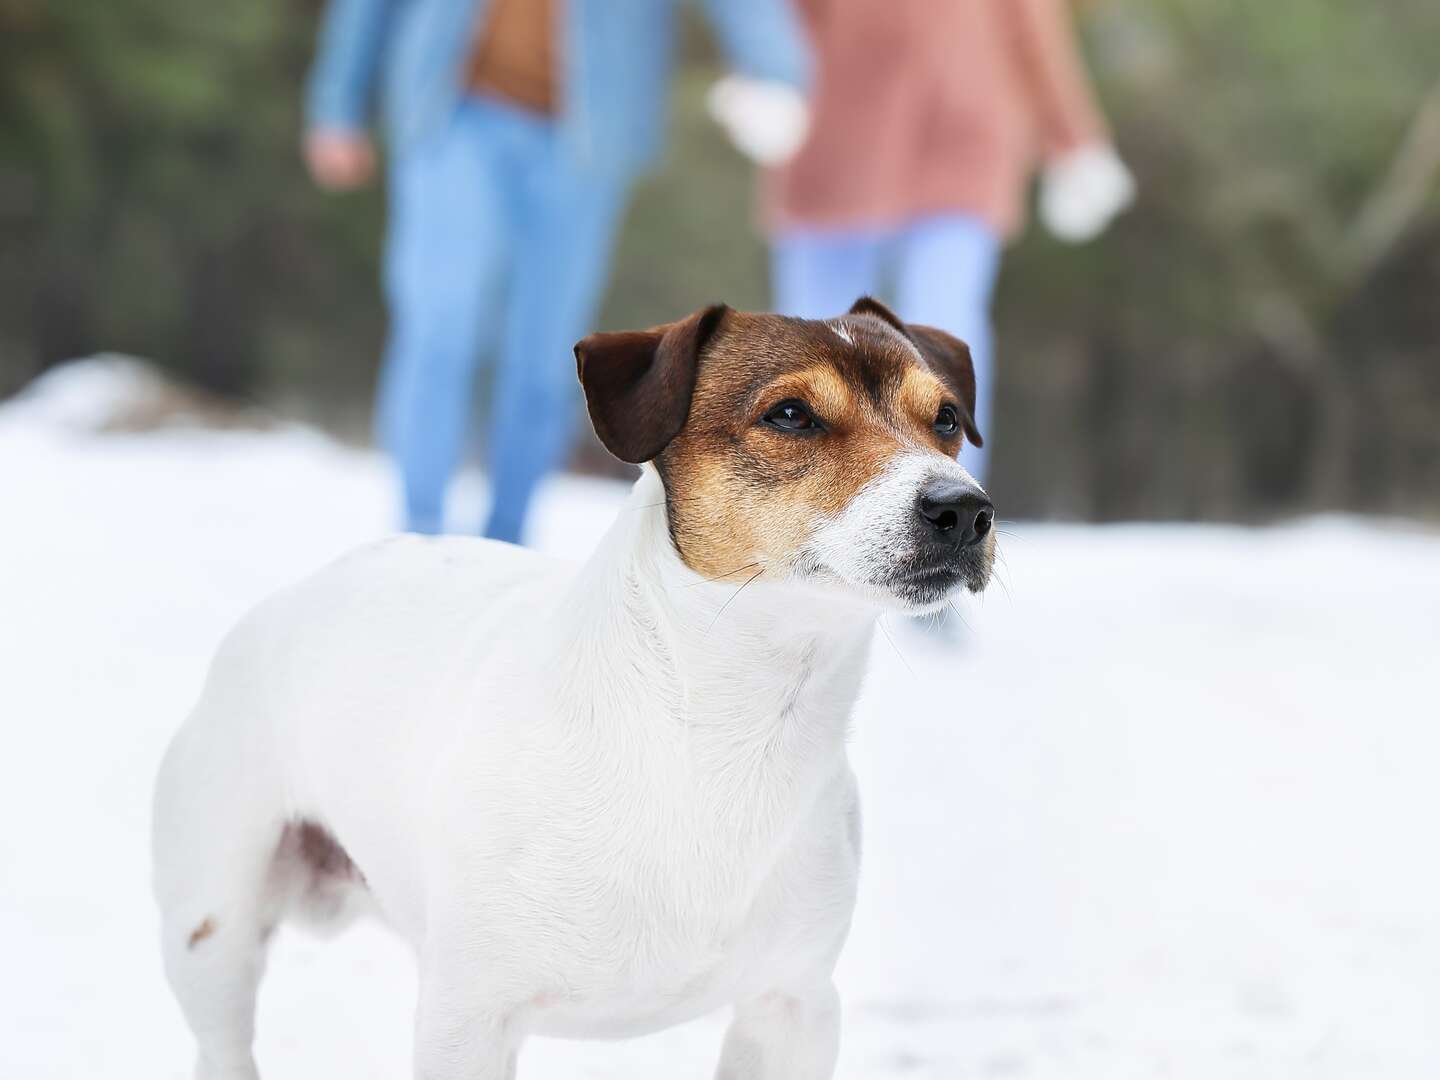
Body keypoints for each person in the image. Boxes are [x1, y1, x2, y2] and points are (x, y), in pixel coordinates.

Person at [305, 0, 811, 540]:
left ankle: (507, 537)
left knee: (543, 353)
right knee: (439, 323)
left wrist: (781, 75)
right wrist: (337, 103)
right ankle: (418, 530)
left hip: (584, 140)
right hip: (454, 113)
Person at [763, 0, 1134, 485]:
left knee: (942, 333)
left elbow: (1032, 31)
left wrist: (1073, 143)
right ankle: (808, 495)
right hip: (833, 133)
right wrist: (766, 73)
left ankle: (948, 496)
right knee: (813, 337)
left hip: (958, 139)